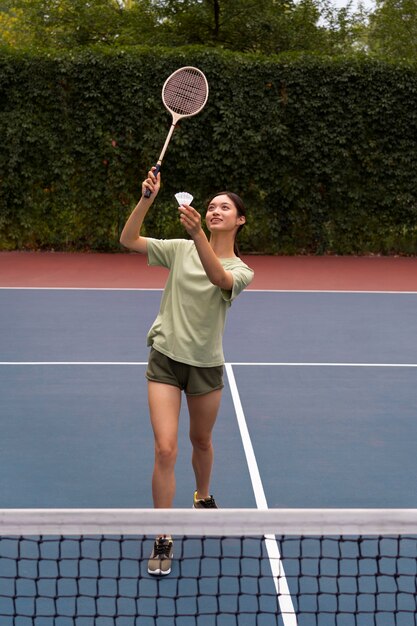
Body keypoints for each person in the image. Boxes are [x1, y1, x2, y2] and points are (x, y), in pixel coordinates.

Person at [119, 168, 254, 576]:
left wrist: (198, 236)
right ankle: (163, 535)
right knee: (165, 448)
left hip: (205, 366)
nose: (215, 210)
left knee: (201, 440)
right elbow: (127, 240)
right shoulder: (179, 248)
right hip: (165, 358)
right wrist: (146, 199)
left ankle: (203, 496)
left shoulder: (242, 270)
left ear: (239, 220)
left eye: (224, 207)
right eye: (211, 206)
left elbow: (219, 278)